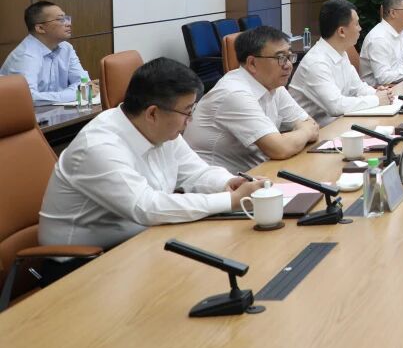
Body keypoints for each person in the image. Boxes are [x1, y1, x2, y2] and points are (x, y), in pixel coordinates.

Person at [39, 58, 262, 250]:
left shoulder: (162, 129)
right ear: (153, 113)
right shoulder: (98, 146)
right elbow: (146, 207)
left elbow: (196, 172)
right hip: (84, 261)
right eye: (187, 112)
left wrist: (228, 183)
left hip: (143, 239)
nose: (190, 120)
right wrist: (231, 200)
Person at [185, 26, 321, 172]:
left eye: (289, 56)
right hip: (218, 181)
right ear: (252, 63)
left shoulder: (274, 85)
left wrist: (299, 133)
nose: (288, 65)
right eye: (281, 58)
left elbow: (311, 124)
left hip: (257, 172)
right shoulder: (234, 93)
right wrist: (304, 132)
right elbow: (280, 148)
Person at [289, 0, 394, 126]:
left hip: (335, 125)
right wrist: (376, 99)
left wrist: (378, 93)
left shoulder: (340, 52)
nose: (360, 28)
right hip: (315, 132)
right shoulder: (316, 63)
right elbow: (336, 106)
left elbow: (357, 88)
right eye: (357, 24)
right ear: (341, 31)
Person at [1, 1, 91, 105]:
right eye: (60, 19)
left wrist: (79, 92)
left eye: (67, 18)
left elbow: (84, 82)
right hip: (24, 113)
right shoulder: (25, 56)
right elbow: (28, 98)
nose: (68, 24)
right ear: (40, 28)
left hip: (57, 111)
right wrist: (76, 94)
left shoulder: (66, 48)